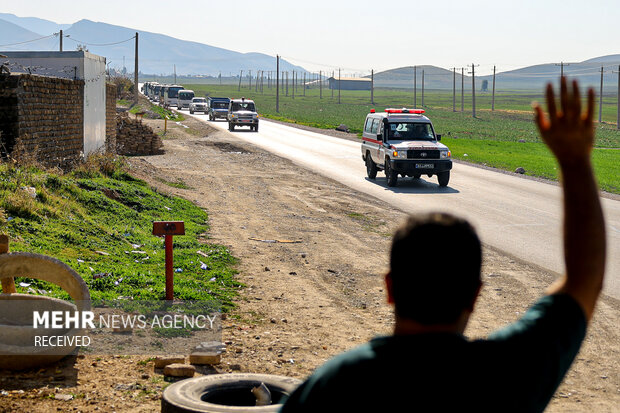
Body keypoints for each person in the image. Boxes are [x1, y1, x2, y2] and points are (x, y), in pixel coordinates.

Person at [280, 77, 606, 413]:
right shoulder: (504, 376)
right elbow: (585, 278)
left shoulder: (336, 384)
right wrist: (575, 160)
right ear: (475, 295)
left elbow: (585, 280)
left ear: (390, 288)